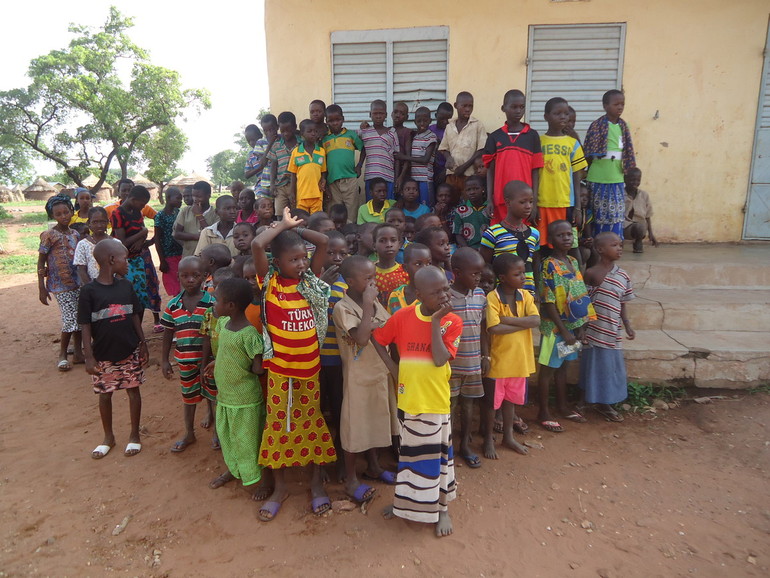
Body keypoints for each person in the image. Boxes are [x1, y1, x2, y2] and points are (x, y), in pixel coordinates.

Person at [251, 207, 337, 521]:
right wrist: (281, 228)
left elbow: (324, 242)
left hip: (309, 370)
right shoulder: (270, 284)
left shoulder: (309, 281)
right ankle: (280, 486)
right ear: (278, 263)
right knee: (278, 427)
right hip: (280, 372)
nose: (301, 264)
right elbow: (258, 246)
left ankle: (316, 483)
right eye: (293, 259)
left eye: (303, 258)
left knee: (312, 422)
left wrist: (296, 230)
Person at [374, 266, 463, 538]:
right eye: (436, 292)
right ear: (419, 294)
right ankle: (404, 504)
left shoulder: (452, 321)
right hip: (409, 398)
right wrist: (393, 368)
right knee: (410, 458)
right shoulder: (402, 317)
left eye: (446, 288)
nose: (444, 295)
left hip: (435, 401)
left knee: (437, 460)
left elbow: (439, 358)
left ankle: (442, 510)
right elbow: (378, 339)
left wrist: (436, 321)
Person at [333, 256, 397, 503]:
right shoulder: (343, 308)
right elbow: (361, 338)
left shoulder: (376, 303)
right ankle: (351, 480)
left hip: (379, 373)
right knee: (355, 428)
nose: (373, 282)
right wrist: (369, 305)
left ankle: (374, 466)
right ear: (350, 281)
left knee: (376, 421)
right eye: (367, 278)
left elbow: (387, 328)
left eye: (374, 277)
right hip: (358, 378)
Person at [79, 239, 148, 459]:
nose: (127, 263)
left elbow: (135, 314)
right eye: (124, 259)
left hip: (129, 350)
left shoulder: (126, 286)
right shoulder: (89, 291)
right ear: (111, 260)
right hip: (103, 354)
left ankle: (134, 435)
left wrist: (143, 343)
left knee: (133, 390)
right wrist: (89, 356)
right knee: (105, 395)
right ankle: (108, 437)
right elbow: (85, 324)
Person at [203, 278, 267, 495]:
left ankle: (257, 481)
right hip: (227, 398)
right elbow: (226, 352)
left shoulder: (249, 334)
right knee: (229, 437)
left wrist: (242, 365)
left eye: (217, 300)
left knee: (247, 441)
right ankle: (236, 470)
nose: (214, 304)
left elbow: (258, 369)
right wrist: (218, 362)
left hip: (245, 401)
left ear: (230, 305)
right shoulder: (223, 324)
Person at [537, 220, 596, 433]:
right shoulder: (548, 265)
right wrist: (563, 330)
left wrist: (580, 327)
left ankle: (562, 406)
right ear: (551, 240)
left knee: (563, 367)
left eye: (569, 235)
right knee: (548, 369)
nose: (566, 238)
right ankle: (543, 411)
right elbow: (548, 301)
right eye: (560, 235)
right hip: (554, 329)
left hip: (571, 328)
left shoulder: (572, 261)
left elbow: (580, 295)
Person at [483, 253, 539, 459]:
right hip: (498, 361)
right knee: (491, 404)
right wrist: (519, 321)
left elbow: (535, 321)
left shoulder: (525, 296)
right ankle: (489, 438)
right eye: (518, 274)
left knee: (510, 402)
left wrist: (508, 319)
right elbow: (494, 328)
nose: (523, 277)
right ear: (503, 277)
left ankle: (508, 436)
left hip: (519, 360)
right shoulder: (493, 297)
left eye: (524, 272)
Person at [160, 255, 217, 452]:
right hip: (185, 361)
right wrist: (164, 361)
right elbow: (167, 333)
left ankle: (217, 432)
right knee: (188, 398)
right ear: (178, 277)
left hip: (209, 362)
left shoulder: (213, 303)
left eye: (195, 275)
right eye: (185, 276)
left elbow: (214, 333)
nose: (190, 280)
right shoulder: (173, 305)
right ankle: (189, 433)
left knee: (214, 396)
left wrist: (212, 360)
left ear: (204, 277)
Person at [580, 232, 635, 421]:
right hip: (594, 328)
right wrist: (582, 328)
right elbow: (584, 302)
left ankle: (606, 402)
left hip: (612, 329)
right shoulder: (591, 273)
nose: (619, 248)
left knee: (609, 366)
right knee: (592, 365)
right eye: (614, 245)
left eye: (620, 245)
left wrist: (627, 325)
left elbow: (623, 303)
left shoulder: (622, 275)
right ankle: (588, 398)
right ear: (600, 249)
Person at [447, 247, 488, 469]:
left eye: (480, 274)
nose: (478, 278)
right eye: (474, 274)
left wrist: (485, 355)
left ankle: (465, 445)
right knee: (450, 406)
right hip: (452, 364)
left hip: (473, 362)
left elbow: (482, 328)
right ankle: (449, 447)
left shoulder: (480, 295)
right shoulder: (447, 297)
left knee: (468, 405)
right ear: (457, 272)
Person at [483, 90, 544, 225]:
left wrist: (533, 201)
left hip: (524, 201)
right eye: (514, 107)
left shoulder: (532, 136)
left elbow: (536, 171)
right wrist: (489, 199)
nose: (518, 111)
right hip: (501, 199)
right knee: (501, 238)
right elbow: (490, 171)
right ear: (503, 108)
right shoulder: (495, 137)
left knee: (522, 239)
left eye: (521, 107)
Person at [38, 195, 83, 371]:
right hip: (59, 285)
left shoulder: (75, 234)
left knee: (80, 317)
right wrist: (41, 287)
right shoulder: (49, 235)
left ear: (72, 211)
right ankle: (63, 354)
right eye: (58, 214)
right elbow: (41, 261)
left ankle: (78, 353)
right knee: (69, 318)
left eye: (66, 212)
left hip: (77, 282)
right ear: (52, 215)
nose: (63, 216)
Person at [583, 89, 636, 238]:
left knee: (616, 216)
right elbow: (588, 152)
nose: (620, 107)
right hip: (598, 179)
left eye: (622, 104)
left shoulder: (624, 127)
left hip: (617, 179)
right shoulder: (596, 126)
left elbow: (627, 153)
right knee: (597, 215)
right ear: (605, 106)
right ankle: (597, 249)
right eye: (616, 104)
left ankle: (613, 247)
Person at [318, 230, 349, 481]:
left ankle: (340, 456)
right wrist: (322, 287)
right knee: (318, 410)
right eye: (331, 252)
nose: (337, 257)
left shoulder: (349, 284)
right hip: (316, 360)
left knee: (340, 409)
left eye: (342, 253)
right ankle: (319, 459)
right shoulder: (311, 282)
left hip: (340, 360)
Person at [538, 97, 588, 249]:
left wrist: (578, 208)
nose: (563, 117)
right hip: (543, 202)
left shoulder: (572, 144)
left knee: (569, 246)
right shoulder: (538, 142)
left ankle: (573, 273)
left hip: (566, 203)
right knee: (542, 244)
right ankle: (544, 272)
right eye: (557, 113)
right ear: (546, 117)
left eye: (566, 113)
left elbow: (577, 177)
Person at [480, 181, 541, 295]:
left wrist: (537, 290)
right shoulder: (493, 233)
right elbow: (486, 267)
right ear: (508, 202)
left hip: (529, 295)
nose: (528, 206)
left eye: (531, 202)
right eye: (522, 202)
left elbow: (535, 265)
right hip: (501, 297)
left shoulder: (535, 234)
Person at [110, 186, 161, 324]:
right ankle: (127, 329)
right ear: (133, 199)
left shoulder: (137, 212)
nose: (143, 206)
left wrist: (141, 238)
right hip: (124, 262)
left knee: (141, 297)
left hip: (138, 260)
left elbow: (139, 232)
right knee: (126, 298)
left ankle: (137, 330)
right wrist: (143, 232)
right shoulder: (117, 214)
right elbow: (122, 243)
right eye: (142, 203)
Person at [438, 92, 487, 197]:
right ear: (456, 105)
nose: (468, 109)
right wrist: (448, 157)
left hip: (470, 176)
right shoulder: (449, 126)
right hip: (452, 175)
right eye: (464, 106)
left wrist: (464, 167)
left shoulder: (477, 125)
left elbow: (481, 149)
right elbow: (443, 148)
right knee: (451, 204)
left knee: (467, 204)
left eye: (470, 106)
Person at [323, 104, 364, 219]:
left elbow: (364, 148)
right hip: (332, 182)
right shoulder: (325, 139)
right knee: (334, 213)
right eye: (331, 121)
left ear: (343, 119)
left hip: (350, 180)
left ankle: (351, 234)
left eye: (338, 120)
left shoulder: (351, 135)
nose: (335, 123)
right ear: (326, 121)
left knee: (352, 212)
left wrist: (359, 165)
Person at [359, 100, 400, 200]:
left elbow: (397, 156)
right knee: (371, 206)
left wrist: (397, 178)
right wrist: (359, 165)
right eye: (375, 113)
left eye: (381, 113)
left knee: (388, 208)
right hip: (371, 176)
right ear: (370, 115)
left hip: (388, 176)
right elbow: (363, 148)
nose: (378, 116)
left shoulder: (392, 133)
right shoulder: (364, 132)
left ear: (386, 115)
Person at [173, 180, 218, 257]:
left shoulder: (216, 213)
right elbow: (176, 234)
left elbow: (212, 235)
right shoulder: (185, 211)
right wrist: (196, 237)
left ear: (208, 196)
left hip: (208, 259)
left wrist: (199, 215)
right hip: (188, 257)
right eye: (193, 196)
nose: (195, 199)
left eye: (199, 196)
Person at [269, 112, 301, 215]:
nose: (286, 133)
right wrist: (272, 184)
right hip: (280, 186)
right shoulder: (277, 145)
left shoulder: (301, 144)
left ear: (295, 127)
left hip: (297, 185)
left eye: (289, 130)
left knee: (297, 213)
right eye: (282, 131)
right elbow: (273, 165)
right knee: (280, 213)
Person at [154, 187, 184, 297]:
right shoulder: (160, 216)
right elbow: (157, 239)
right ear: (168, 198)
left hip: (181, 253)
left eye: (181, 199)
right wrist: (162, 260)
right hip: (168, 256)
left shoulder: (179, 213)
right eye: (178, 199)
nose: (180, 201)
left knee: (183, 282)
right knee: (175, 287)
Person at [387, 242, 432, 314]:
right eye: (418, 264)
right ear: (405, 268)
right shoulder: (396, 295)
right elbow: (391, 322)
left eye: (429, 263)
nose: (425, 268)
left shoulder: (433, 296)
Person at [373, 223, 409, 307]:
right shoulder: (368, 272)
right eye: (382, 241)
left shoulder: (406, 272)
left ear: (399, 244)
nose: (389, 245)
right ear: (374, 246)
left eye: (393, 240)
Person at [623, 168, 657, 253]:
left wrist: (651, 234)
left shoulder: (644, 195)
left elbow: (648, 216)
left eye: (638, 180)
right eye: (632, 180)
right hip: (624, 227)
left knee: (639, 226)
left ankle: (638, 242)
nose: (635, 183)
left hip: (640, 228)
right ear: (625, 179)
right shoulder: (620, 194)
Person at [75, 207, 110, 285]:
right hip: (91, 288)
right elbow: (81, 270)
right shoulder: (83, 244)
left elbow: (120, 268)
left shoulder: (115, 243)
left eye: (102, 222)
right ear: (88, 223)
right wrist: (91, 288)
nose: (99, 225)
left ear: (108, 222)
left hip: (112, 287)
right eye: (95, 222)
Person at [453, 175, 489, 249]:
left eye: (476, 188)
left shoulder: (489, 208)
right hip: (469, 248)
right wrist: (468, 249)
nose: (472, 192)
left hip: (488, 248)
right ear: (465, 191)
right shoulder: (460, 210)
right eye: (468, 190)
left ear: (483, 189)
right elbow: (457, 233)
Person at [429, 102, 453, 187]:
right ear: (436, 115)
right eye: (442, 118)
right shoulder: (430, 130)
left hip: (447, 170)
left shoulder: (453, 132)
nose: (445, 122)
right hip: (431, 169)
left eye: (448, 119)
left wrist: (445, 171)